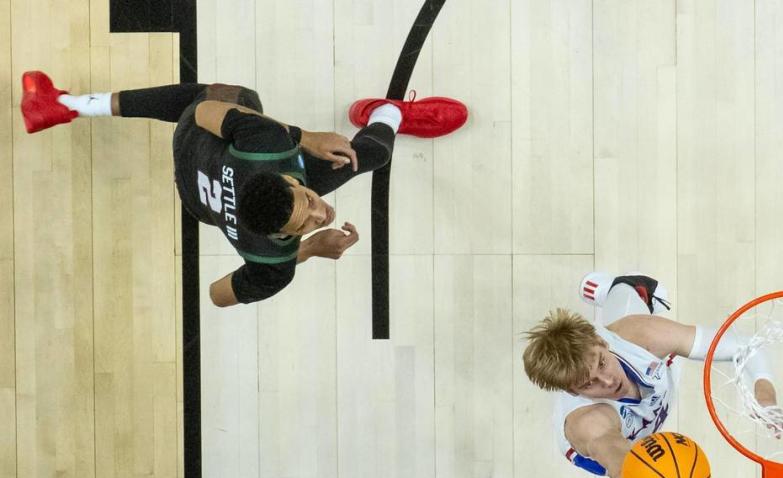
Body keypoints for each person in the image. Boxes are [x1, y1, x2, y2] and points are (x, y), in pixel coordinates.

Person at [20, 71, 467, 306]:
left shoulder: (266, 147)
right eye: (302, 226)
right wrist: (305, 250)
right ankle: (389, 113)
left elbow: (203, 113)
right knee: (367, 155)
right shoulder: (275, 265)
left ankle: (66, 106)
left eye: (308, 201)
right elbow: (215, 296)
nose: (320, 215)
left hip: (196, 151)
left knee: (231, 95)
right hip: (196, 199)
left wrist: (305, 137)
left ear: (287, 178)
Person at [522, 272, 783, 478]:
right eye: (587, 384)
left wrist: (765, 397)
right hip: (611, 444)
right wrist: (627, 475)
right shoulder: (587, 420)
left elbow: (745, 346)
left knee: (636, 292)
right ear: (571, 391)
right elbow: (610, 447)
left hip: (635, 358)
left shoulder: (642, 336)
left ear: (602, 341)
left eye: (602, 363)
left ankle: (617, 286)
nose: (607, 382)